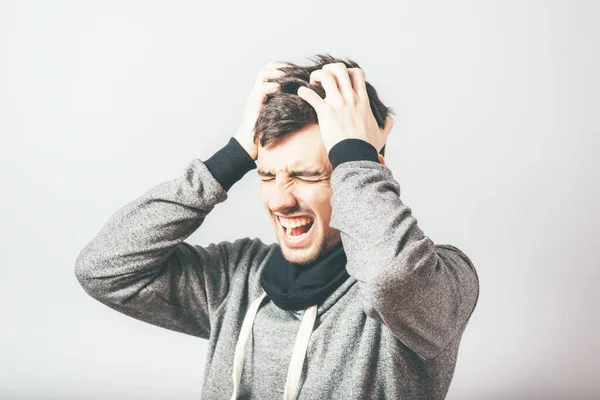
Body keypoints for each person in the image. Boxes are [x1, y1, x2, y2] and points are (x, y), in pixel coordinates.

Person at [75, 54, 480, 400]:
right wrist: (230, 158)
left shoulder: (441, 282)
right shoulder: (234, 278)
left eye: (306, 175)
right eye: (267, 176)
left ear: (363, 173)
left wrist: (356, 156)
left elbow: (389, 279)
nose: (280, 200)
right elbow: (102, 268)